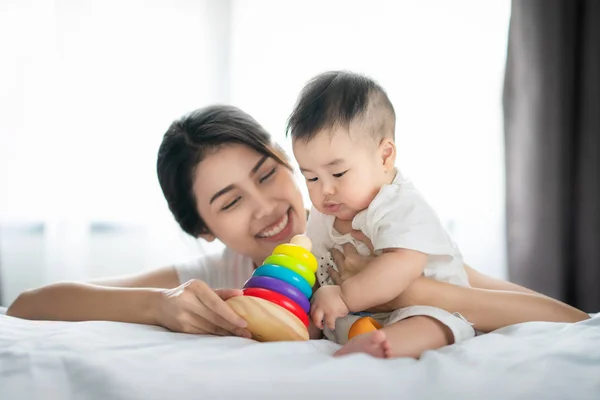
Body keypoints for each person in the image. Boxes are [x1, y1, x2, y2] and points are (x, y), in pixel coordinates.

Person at [6, 104, 588, 347]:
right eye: (230, 203)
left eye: (267, 173)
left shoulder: (365, 230)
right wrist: (160, 305)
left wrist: (410, 290)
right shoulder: (223, 273)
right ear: (204, 229)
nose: (266, 207)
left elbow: (554, 317)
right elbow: (28, 305)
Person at [288, 70, 590, 358]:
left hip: (429, 301)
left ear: (384, 156)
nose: (324, 190)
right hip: (360, 312)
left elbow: (404, 263)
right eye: (311, 178)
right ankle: (360, 337)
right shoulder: (322, 214)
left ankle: (387, 345)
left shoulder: (397, 203)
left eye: (338, 173)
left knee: (431, 323)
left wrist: (344, 296)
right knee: (325, 321)